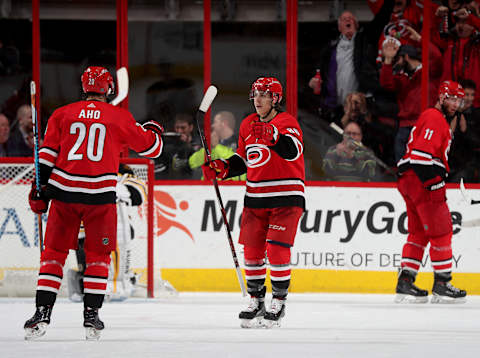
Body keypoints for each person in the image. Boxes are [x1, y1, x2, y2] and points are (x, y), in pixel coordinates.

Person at [24, 66, 164, 340]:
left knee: (52, 254)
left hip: (63, 194)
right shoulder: (119, 117)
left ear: (83, 87)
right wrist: (154, 130)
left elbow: (47, 156)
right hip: (99, 198)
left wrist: (38, 189)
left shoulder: (62, 113)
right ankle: (92, 316)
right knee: (98, 258)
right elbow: (153, 149)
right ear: (108, 89)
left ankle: (42, 313)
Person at [202, 77, 305, 328]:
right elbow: (244, 158)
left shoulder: (286, 122)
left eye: (264, 95)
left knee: (277, 250)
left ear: (276, 99)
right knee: (252, 252)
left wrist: (274, 138)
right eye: (255, 94)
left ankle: (278, 302)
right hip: (255, 197)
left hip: (286, 196)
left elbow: (293, 150)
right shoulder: (248, 124)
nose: (257, 99)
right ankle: (256, 300)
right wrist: (223, 168)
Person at [395, 80, 467, 304]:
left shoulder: (435, 118)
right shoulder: (435, 118)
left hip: (410, 181)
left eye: (458, 100)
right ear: (442, 97)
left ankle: (405, 282)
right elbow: (420, 157)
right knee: (441, 231)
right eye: (451, 98)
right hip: (421, 181)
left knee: (419, 233)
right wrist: (434, 184)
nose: (455, 104)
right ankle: (442, 283)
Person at [67, 163, 147, 302]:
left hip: (108, 230)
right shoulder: (76, 167)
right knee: (86, 257)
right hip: (84, 230)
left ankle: (115, 283)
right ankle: (89, 283)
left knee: (108, 248)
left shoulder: (118, 168)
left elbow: (139, 190)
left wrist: (113, 191)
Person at [308, 1, 394, 121]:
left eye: (351, 19)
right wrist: (313, 81)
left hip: (360, 107)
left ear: (357, 25)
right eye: (344, 19)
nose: (348, 20)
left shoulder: (365, 41)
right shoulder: (330, 49)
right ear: (339, 27)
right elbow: (320, 72)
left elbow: (381, 19)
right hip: (335, 107)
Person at [380, 34, 442, 162]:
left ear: (406, 57)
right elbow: (386, 83)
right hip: (404, 128)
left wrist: (420, 39)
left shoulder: (429, 72)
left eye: (397, 59)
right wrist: (387, 59)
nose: (395, 63)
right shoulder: (401, 78)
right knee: (403, 170)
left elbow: (436, 56)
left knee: (424, 168)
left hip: (425, 127)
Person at [189, 111, 245, 180]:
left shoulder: (240, 142)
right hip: (209, 187)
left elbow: (237, 165)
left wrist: (217, 146)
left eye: (215, 122)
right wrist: (209, 147)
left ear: (224, 123)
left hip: (231, 187)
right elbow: (192, 163)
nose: (213, 125)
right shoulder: (212, 144)